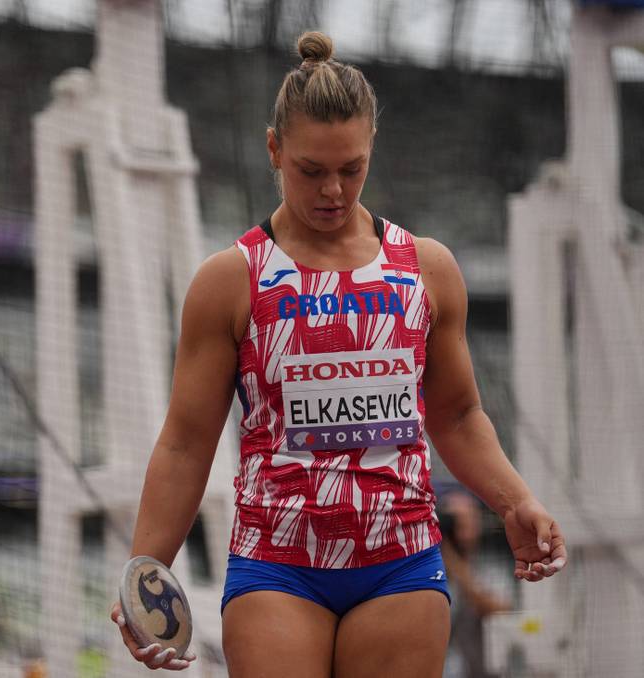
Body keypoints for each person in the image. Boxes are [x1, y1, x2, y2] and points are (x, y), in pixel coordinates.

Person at [111, 30, 567, 677]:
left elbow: (459, 416)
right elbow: (186, 441)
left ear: (371, 150)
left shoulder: (425, 270)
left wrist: (516, 500)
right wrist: (146, 574)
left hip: (400, 563)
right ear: (274, 150)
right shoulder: (231, 279)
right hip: (277, 564)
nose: (333, 191)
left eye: (351, 169)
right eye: (311, 170)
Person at [439, 491, 512, 678]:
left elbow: (501, 610)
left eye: (467, 520)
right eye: (454, 522)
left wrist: (455, 564)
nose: (460, 528)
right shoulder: (431, 571)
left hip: (483, 670)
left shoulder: (491, 563)